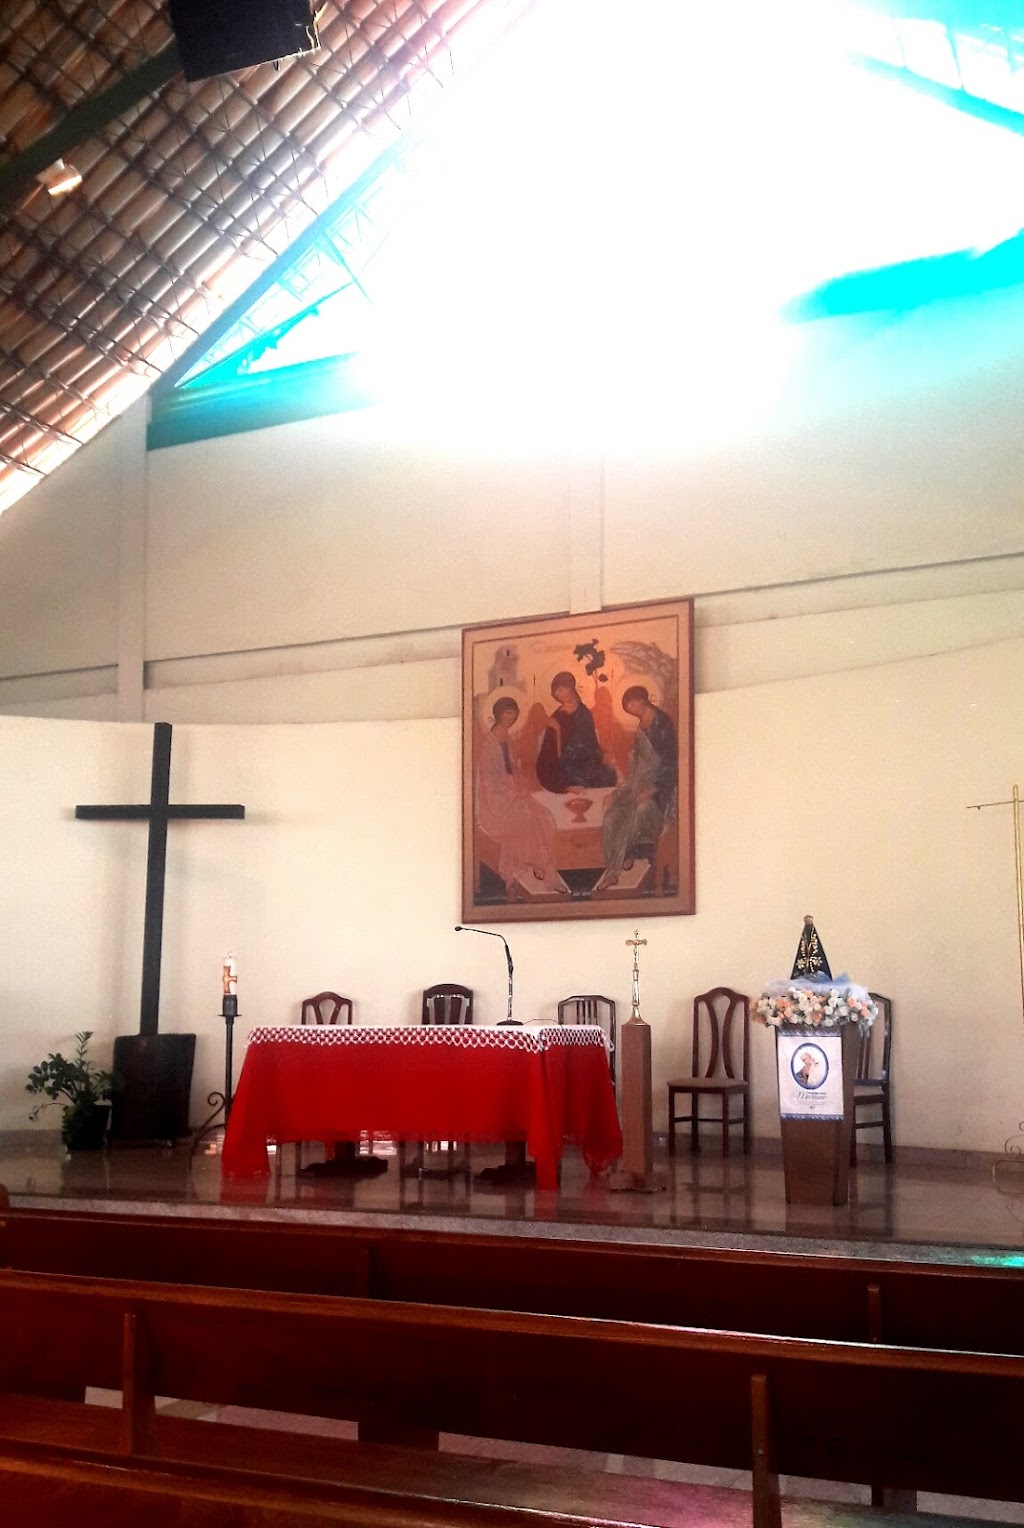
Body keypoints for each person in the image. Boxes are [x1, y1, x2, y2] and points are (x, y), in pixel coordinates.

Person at [476, 697, 568, 898]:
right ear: (498, 714)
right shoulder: (488, 744)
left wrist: (521, 785)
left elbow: (514, 771)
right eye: (508, 713)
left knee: (545, 816)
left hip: (513, 793)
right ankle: (524, 871)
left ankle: (543, 865)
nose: (511, 718)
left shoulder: (508, 739)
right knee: (524, 815)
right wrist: (512, 791)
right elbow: (488, 782)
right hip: (495, 800)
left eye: (514, 714)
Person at [595, 685, 677, 891]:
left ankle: (613, 872)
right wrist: (618, 792)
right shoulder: (641, 727)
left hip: (662, 794)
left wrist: (652, 790)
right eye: (627, 707)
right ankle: (621, 859)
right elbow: (636, 769)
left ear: (641, 700)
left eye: (631, 704)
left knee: (637, 814)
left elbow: (671, 765)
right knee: (611, 816)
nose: (630, 710)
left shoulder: (663, 724)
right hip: (639, 786)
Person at [535, 672, 617, 793]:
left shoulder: (584, 712)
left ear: (571, 687)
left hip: (587, 761)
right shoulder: (557, 717)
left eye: (561, 690)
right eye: (557, 692)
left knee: (609, 775)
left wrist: (602, 755)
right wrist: (557, 730)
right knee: (573, 778)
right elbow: (552, 752)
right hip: (567, 762)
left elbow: (592, 743)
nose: (560, 694)